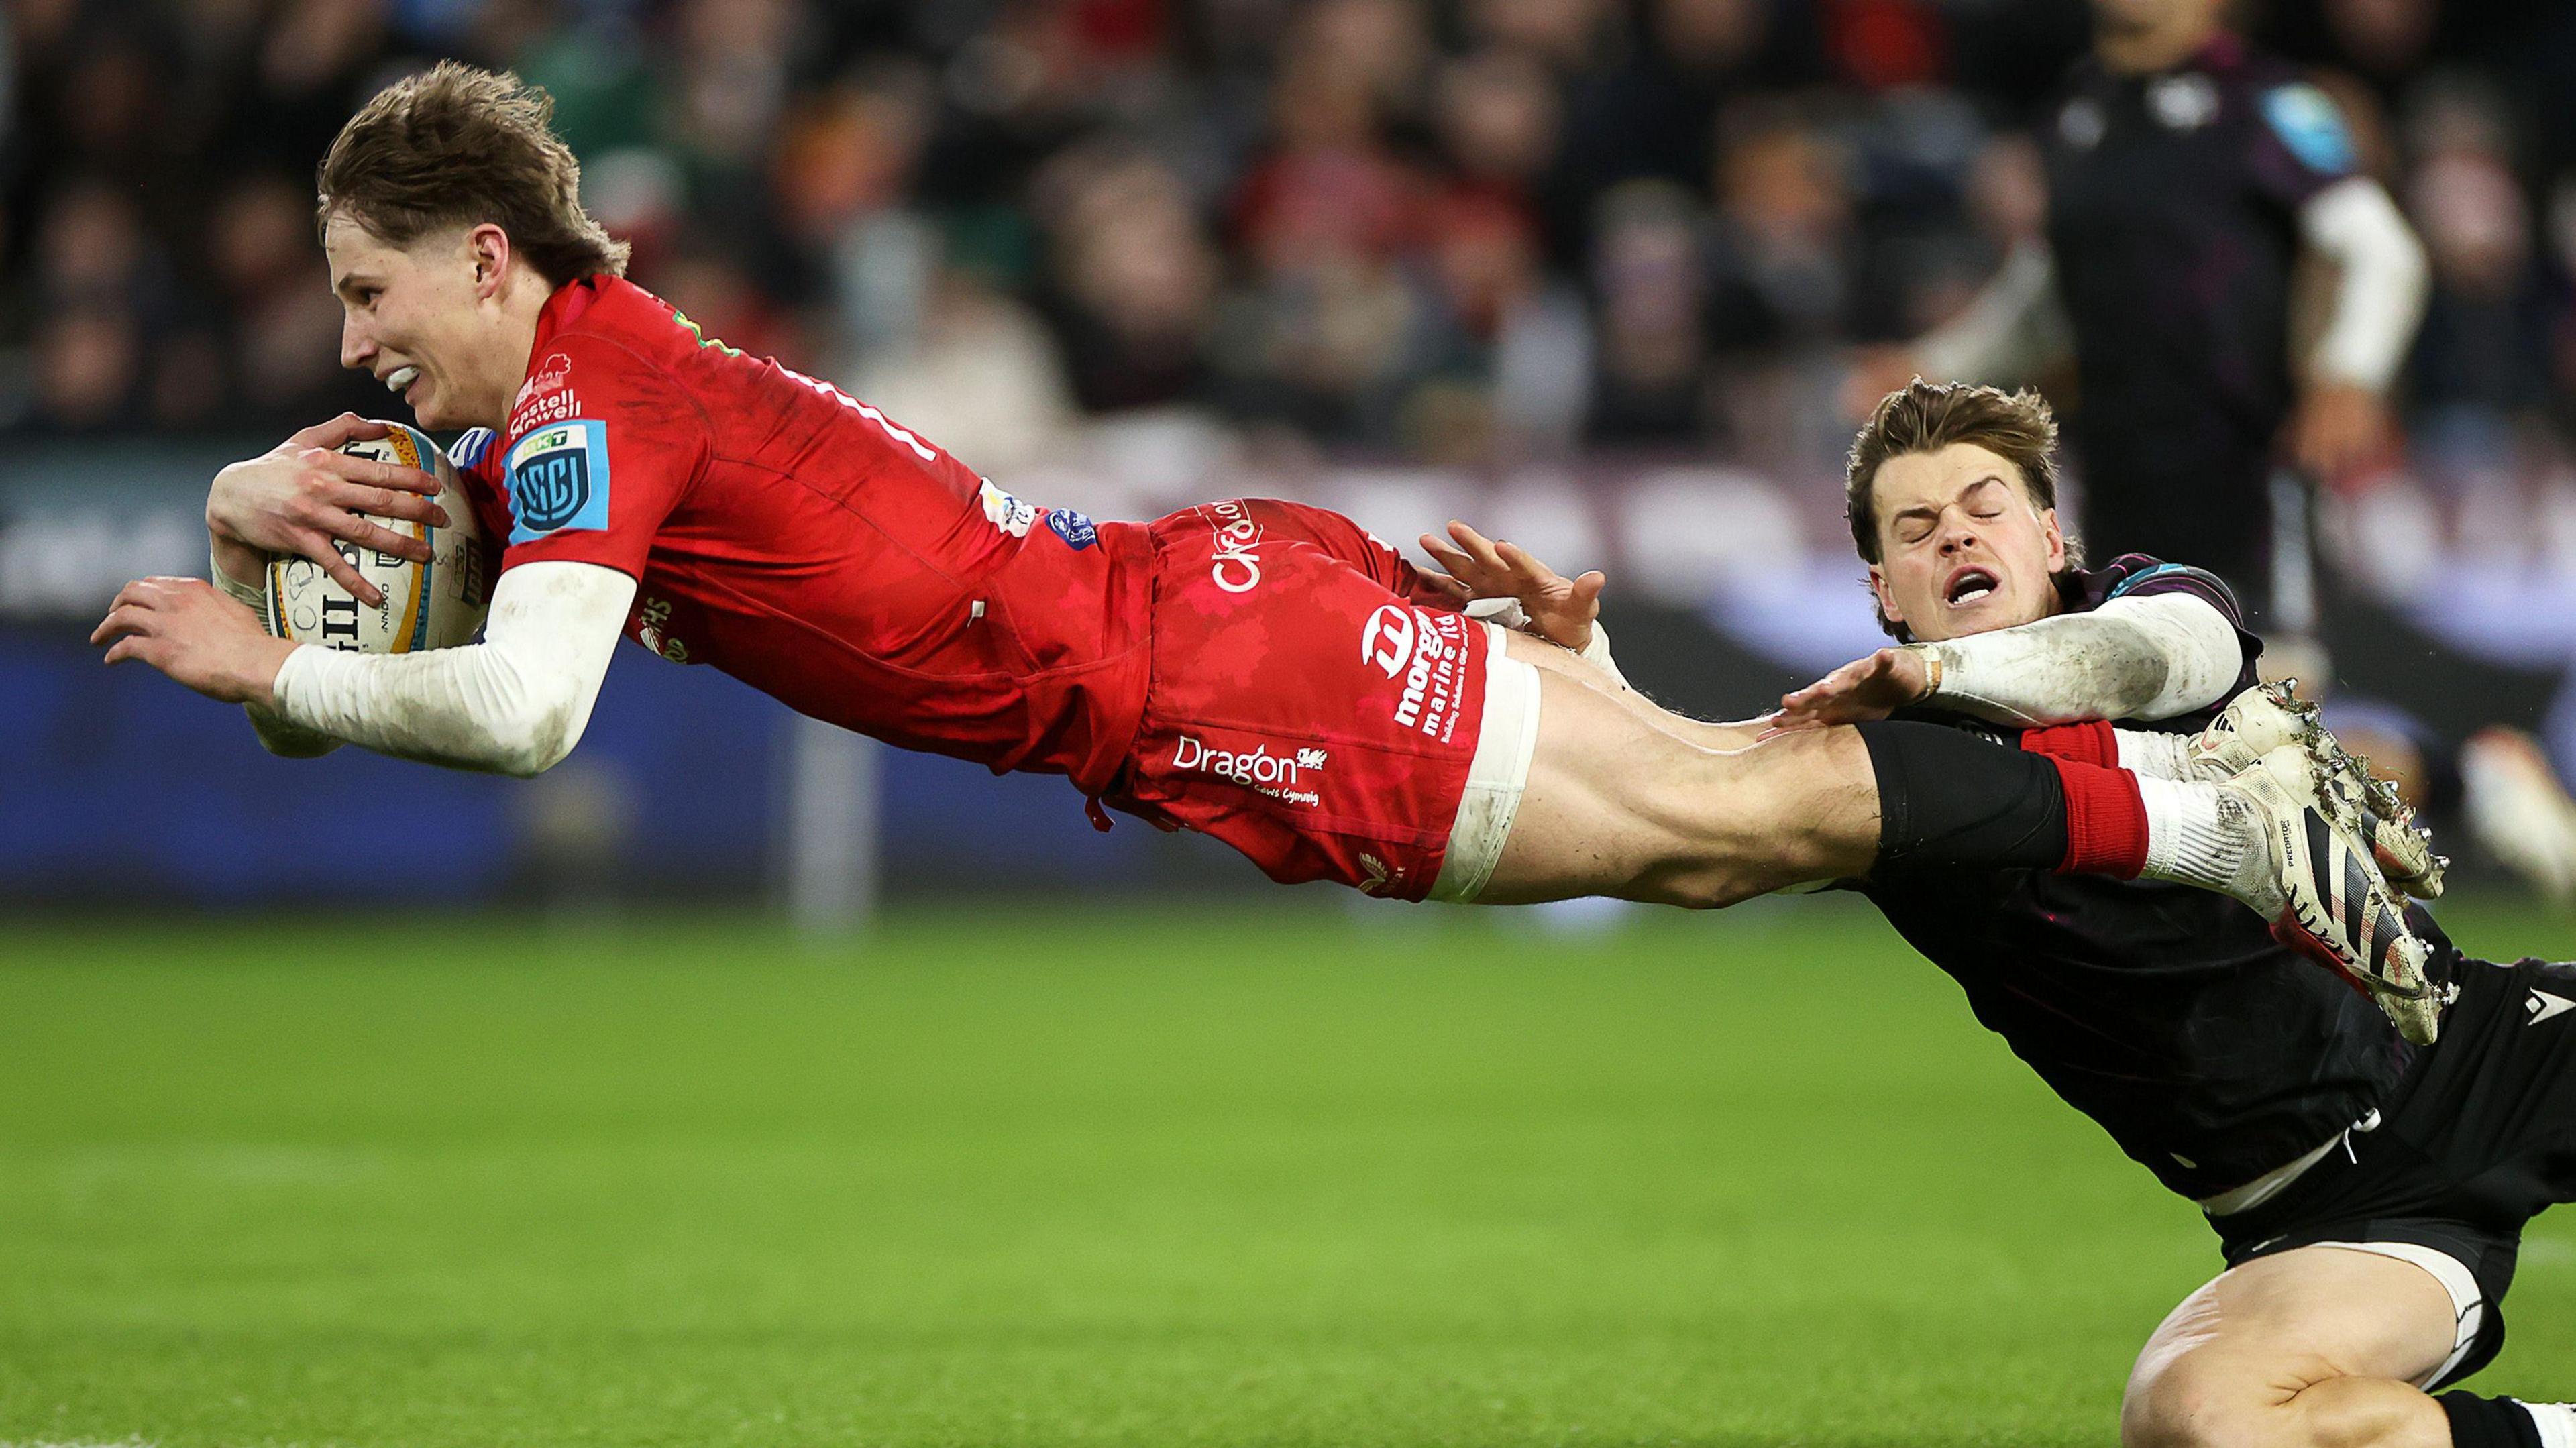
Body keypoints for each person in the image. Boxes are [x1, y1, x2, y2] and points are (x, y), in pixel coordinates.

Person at [94, 64, 2398, 971]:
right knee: (1728, 807)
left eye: (372, 290)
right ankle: (2186, 775)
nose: (353, 337)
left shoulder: (588, 410)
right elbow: (351, 700)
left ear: (487, 255)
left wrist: (259, 646)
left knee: (1749, 825)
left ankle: (2195, 800)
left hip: (1211, 675)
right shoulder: (571, 422)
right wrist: (235, 526)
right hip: (1220, 590)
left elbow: (510, 717)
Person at [1477, 379, 2576, 1448]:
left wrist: (1939, 670)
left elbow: (2153, 658)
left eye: (1983, 508)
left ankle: (2456, 770)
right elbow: (1697, 805)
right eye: (1919, 527)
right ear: (1881, 590)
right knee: (2209, 1419)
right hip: (2321, 1212)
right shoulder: (1881, 774)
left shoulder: (2160, 605)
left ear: (2051, 537)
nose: (1956, 537)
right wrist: (1592, 672)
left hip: (2480, 1043)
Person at [1882, 0, 2427, 614]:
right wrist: (1934, 361)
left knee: (2274, 689)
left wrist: (2351, 372)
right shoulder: (2075, 109)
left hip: (2244, 472)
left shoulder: (2268, 102)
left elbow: (2382, 251)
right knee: (2129, 690)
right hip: (2114, 472)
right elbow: (2046, 282)